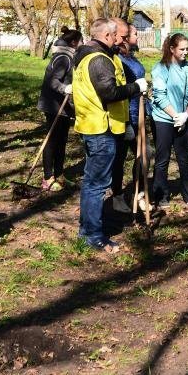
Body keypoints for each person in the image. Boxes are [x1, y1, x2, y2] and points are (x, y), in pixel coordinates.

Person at [72, 18, 147, 253]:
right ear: (106, 36)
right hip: (101, 129)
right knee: (96, 185)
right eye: (116, 36)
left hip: (96, 126)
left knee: (92, 182)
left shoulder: (89, 55)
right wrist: (137, 88)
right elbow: (110, 92)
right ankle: (93, 235)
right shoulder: (98, 60)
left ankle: (88, 229)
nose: (119, 40)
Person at [150, 33, 188, 207]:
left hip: (183, 117)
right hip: (163, 119)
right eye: (182, 49)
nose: (185, 52)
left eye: (187, 48)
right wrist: (174, 115)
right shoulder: (161, 68)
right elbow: (159, 96)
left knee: (185, 158)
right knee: (162, 158)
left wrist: (186, 114)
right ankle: (160, 195)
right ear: (172, 49)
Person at [111, 25, 152, 213]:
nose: (138, 35)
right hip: (126, 114)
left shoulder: (130, 56)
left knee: (146, 154)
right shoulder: (117, 59)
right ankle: (117, 196)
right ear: (125, 37)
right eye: (135, 33)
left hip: (140, 111)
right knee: (119, 157)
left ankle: (140, 193)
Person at [36, 28, 82, 192]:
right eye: (81, 41)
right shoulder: (63, 58)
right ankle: (47, 178)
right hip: (54, 106)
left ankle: (59, 174)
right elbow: (52, 81)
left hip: (64, 107)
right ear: (74, 42)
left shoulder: (68, 57)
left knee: (62, 141)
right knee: (52, 142)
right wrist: (65, 88)